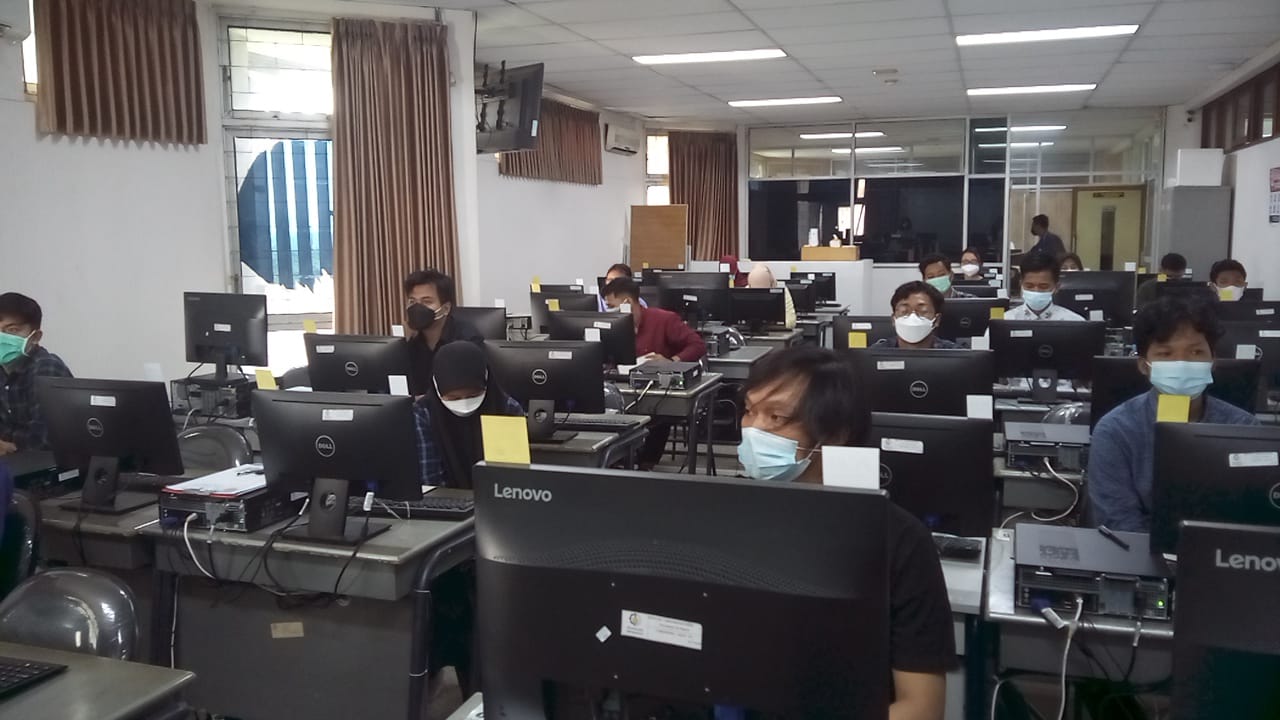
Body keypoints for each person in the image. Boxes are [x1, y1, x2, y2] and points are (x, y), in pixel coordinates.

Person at [738, 346, 954, 718]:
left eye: (776, 417)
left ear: (834, 436)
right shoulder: (729, 515)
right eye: (749, 410)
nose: (753, 429)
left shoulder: (898, 542)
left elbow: (922, 707)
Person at [1088, 296, 1259, 533]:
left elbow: (1254, 513)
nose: (1182, 363)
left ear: (1213, 361)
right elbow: (1118, 520)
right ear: (1144, 366)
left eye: (1196, 352)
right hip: (1138, 551)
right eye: (1165, 354)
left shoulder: (1245, 429)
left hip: (1224, 550)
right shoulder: (1115, 431)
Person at [602, 277, 707, 470]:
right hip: (620, 387)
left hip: (658, 393)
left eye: (611, 306)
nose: (607, 311)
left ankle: (643, 464)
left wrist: (672, 361)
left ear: (626, 302)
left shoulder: (663, 319)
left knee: (656, 414)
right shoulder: (611, 324)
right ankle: (616, 461)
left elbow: (697, 345)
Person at [414, 341, 523, 489]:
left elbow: (512, 478)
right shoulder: (423, 414)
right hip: (443, 499)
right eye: (453, 398)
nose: (464, 404)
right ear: (437, 389)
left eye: (473, 396)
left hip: (496, 497)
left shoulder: (507, 410)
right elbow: (430, 480)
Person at [0, 293, 73, 454]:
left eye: (12, 330)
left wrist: (10, 445)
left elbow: (45, 440)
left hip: (43, 465)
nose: (2, 338)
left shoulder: (46, 368)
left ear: (35, 337)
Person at [403, 269, 484, 396]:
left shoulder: (467, 339)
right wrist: (403, 343)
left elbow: (464, 392)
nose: (417, 308)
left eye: (427, 301)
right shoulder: (412, 343)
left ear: (445, 308)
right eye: (412, 302)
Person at [873, 282, 959, 350]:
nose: (912, 317)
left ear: (937, 320)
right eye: (904, 311)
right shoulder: (874, 355)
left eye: (922, 311)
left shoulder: (957, 356)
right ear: (893, 319)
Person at [1006, 252, 1085, 322]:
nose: (1036, 291)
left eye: (1043, 287)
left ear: (1056, 287)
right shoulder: (1007, 320)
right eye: (1029, 286)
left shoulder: (1074, 322)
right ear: (1021, 284)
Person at [746, 263, 796, 329]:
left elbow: (791, 322)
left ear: (771, 283)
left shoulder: (783, 292)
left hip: (776, 333)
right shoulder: (744, 292)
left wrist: (770, 325)